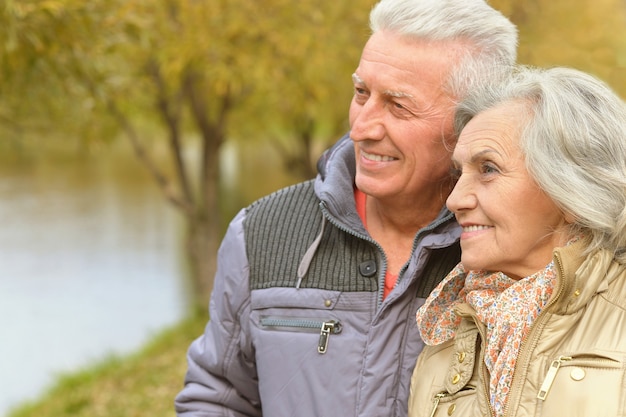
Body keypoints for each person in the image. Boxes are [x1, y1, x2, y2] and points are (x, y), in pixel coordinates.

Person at [175, 0, 517, 416]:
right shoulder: (262, 232)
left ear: (473, 123)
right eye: (361, 93)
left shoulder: (517, 250)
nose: (361, 127)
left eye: (398, 105)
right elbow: (218, 396)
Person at [408, 65, 626, 417]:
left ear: (570, 192)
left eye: (488, 169)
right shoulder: (442, 340)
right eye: (458, 173)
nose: (455, 200)